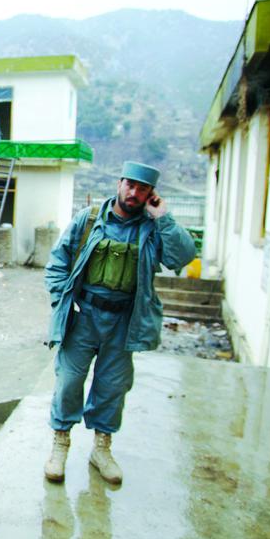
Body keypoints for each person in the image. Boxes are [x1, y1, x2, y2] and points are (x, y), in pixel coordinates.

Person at [43, 161, 195, 484]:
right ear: (119, 182)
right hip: (83, 318)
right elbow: (57, 262)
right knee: (69, 381)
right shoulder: (88, 220)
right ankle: (60, 444)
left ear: (150, 195)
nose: (134, 193)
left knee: (112, 387)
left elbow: (182, 257)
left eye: (143, 189)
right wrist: (62, 301)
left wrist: (163, 217)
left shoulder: (152, 228)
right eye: (130, 185)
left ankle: (101, 448)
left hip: (123, 321)